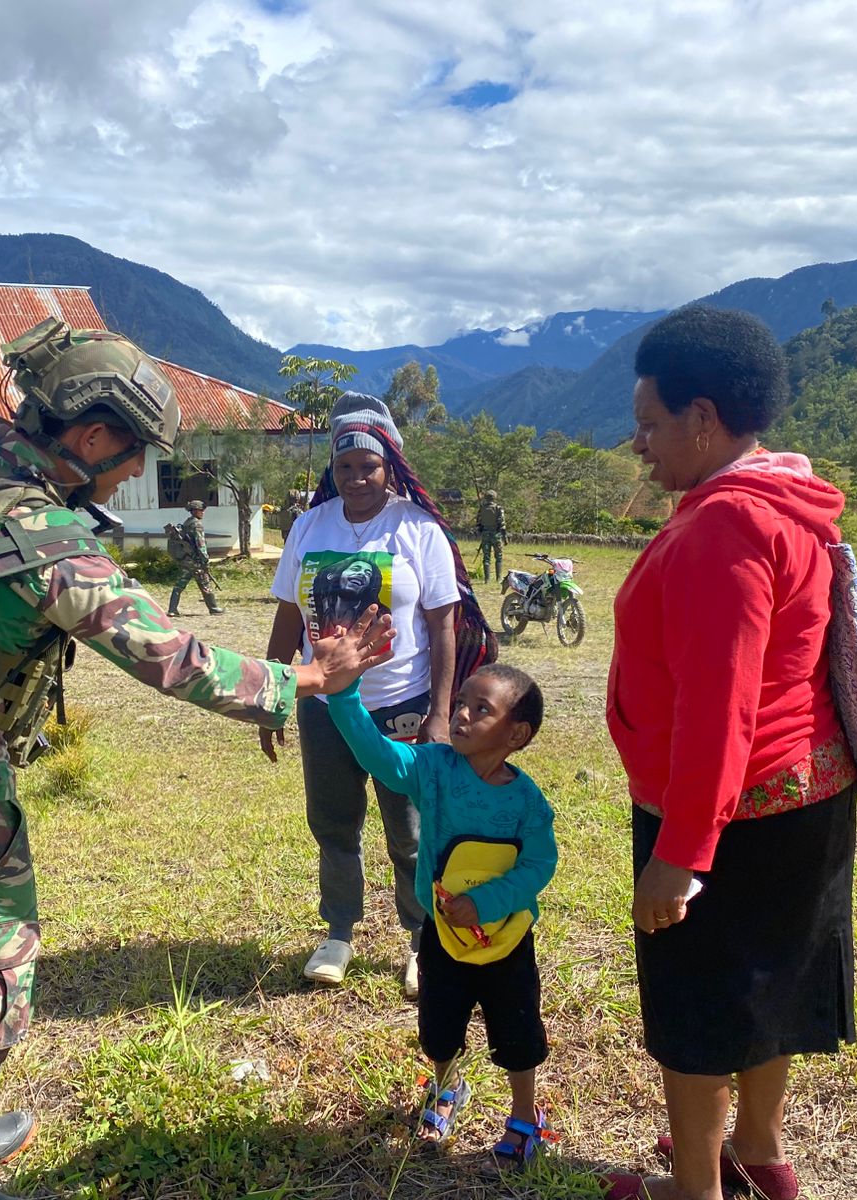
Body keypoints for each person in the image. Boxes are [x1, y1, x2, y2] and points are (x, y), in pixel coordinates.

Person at [0, 320, 394, 1200]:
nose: (137, 473)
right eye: (135, 455)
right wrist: (305, 679)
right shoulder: (52, 544)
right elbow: (174, 659)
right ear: (91, 437)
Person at [601, 306, 857, 1200]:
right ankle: (758, 1153)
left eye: (649, 423)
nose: (639, 443)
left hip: (724, 810)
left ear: (702, 418)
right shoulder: (789, 498)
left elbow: (720, 706)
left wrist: (679, 856)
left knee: (699, 1006)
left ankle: (698, 1187)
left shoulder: (723, 528)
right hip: (802, 794)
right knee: (767, 987)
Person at [262, 392, 495, 998]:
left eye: (368, 466)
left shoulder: (417, 530)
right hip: (323, 704)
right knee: (333, 820)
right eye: (344, 468)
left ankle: (419, 938)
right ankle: (339, 931)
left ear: (389, 464)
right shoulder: (311, 526)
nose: (356, 478)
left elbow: (444, 625)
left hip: (403, 707)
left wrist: (440, 716)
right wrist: (272, 691)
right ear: (330, 471)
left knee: (410, 828)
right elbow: (289, 616)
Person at [325, 661, 557, 1165]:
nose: (462, 715)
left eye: (481, 709)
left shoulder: (527, 801)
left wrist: (487, 901)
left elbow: (541, 865)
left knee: (517, 1030)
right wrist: (344, 696)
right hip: (441, 934)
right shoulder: (433, 769)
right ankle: (447, 1087)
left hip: (507, 940)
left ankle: (525, 1114)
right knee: (439, 1023)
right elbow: (377, 755)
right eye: (460, 704)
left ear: (517, 734)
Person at [167, 498, 223, 615]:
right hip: (196, 561)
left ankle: (172, 609)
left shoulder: (187, 522)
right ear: (195, 511)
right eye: (201, 510)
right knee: (205, 583)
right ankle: (213, 608)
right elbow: (200, 544)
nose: (203, 512)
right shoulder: (197, 525)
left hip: (186, 559)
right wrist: (205, 560)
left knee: (179, 584)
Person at [475, 489, 507, 582]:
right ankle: (499, 578)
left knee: (486, 557)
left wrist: (481, 533)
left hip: (485, 534)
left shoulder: (482, 508)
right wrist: (505, 537)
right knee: (499, 556)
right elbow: (502, 524)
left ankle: (487, 579)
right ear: (494, 498)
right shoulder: (498, 508)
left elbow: (478, 523)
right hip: (496, 535)